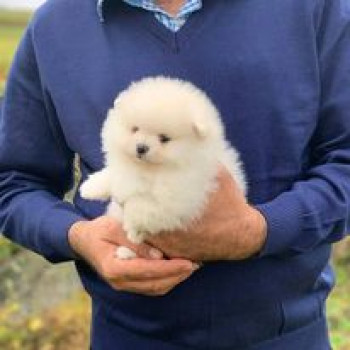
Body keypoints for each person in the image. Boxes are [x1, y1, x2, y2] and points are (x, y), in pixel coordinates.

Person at [0, 0, 349, 349]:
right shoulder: (54, 27)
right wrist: (79, 236)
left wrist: (258, 229)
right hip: (124, 338)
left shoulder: (316, 8)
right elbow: (13, 181)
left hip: (288, 338)